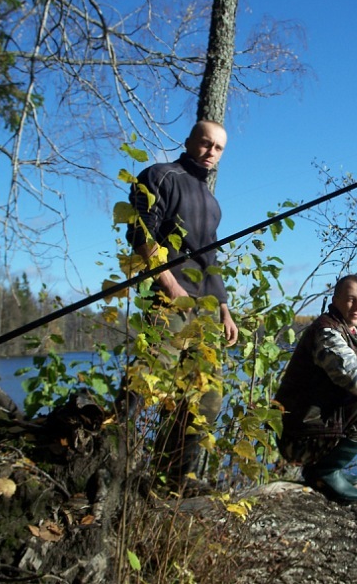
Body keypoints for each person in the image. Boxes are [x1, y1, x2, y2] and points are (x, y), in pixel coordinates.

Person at [125, 120, 238, 493]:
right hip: (169, 301)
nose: (210, 152)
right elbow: (139, 231)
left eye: (218, 148)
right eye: (205, 143)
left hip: (205, 310)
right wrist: (170, 285)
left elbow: (210, 260)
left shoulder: (211, 201)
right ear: (189, 142)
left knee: (206, 397)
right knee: (147, 382)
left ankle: (174, 479)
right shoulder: (160, 176)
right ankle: (111, 463)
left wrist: (224, 309)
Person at [274, 275, 357, 504]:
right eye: (350, 299)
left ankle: (328, 468)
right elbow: (353, 378)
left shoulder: (348, 332)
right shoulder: (327, 333)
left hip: (309, 427)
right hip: (297, 437)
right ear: (335, 300)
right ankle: (324, 472)